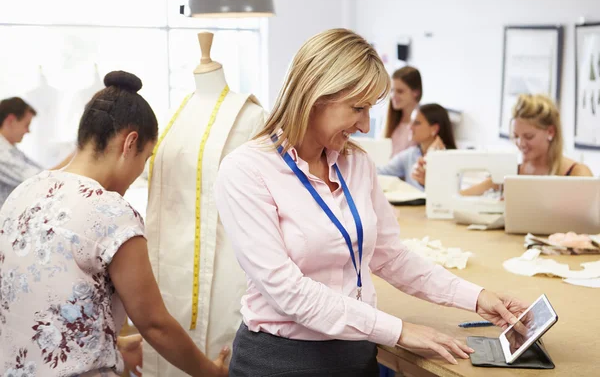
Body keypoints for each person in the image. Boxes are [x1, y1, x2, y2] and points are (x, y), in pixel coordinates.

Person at [215, 29, 529, 376]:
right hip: (281, 361)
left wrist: (476, 297)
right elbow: (287, 291)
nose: (365, 126)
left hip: (356, 355)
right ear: (316, 94)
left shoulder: (356, 164)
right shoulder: (246, 171)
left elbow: (390, 255)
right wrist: (399, 330)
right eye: (358, 108)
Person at [0, 71, 228, 377]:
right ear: (130, 143)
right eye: (145, 158)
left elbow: (38, 301)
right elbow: (154, 324)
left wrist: (111, 344)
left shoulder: (23, 192)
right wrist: (212, 372)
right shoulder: (111, 211)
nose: (139, 171)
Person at [458, 94, 593, 196]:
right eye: (516, 136)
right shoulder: (511, 173)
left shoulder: (577, 174)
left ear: (550, 132)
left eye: (529, 137)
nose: (520, 144)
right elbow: (462, 197)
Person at [0, 97, 74, 207]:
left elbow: (42, 172)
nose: (28, 131)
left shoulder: (11, 149)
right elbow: (40, 179)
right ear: (10, 120)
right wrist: (74, 157)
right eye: (26, 125)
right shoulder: (2, 152)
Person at [378, 103, 456, 190]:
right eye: (411, 122)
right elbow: (382, 171)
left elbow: (449, 193)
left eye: (416, 123)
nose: (410, 127)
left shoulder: (451, 159)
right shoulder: (409, 155)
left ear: (434, 129)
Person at [383, 66, 422, 156]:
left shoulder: (423, 124)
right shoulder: (390, 121)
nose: (393, 96)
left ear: (416, 92)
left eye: (400, 91)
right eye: (392, 90)